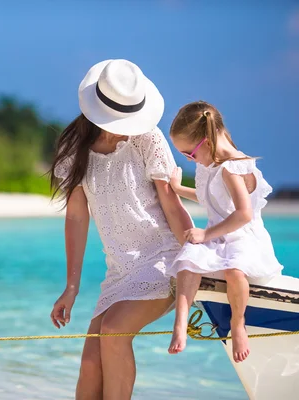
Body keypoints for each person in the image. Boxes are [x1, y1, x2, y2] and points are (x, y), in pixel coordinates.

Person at [49, 59, 193, 399]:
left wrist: (195, 252)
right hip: (119, 271)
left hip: (162, 260)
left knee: (113, 332)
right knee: (90, 365)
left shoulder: (148, 139)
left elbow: (172, 205)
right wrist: (71, 287)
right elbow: (76, 218)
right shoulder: (75, 150)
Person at [165, 100, 283, 362]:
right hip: (219, 234)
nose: (188, 159)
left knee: (234, 269)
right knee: (187, 260)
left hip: (244, 236)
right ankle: (180, 323)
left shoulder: (232, 168)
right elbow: (212, 199)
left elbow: (243, 214)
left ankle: (238, 323)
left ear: (205, 142)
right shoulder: (209, 163)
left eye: (189, 154)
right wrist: (179, 190)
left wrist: (205, 235)